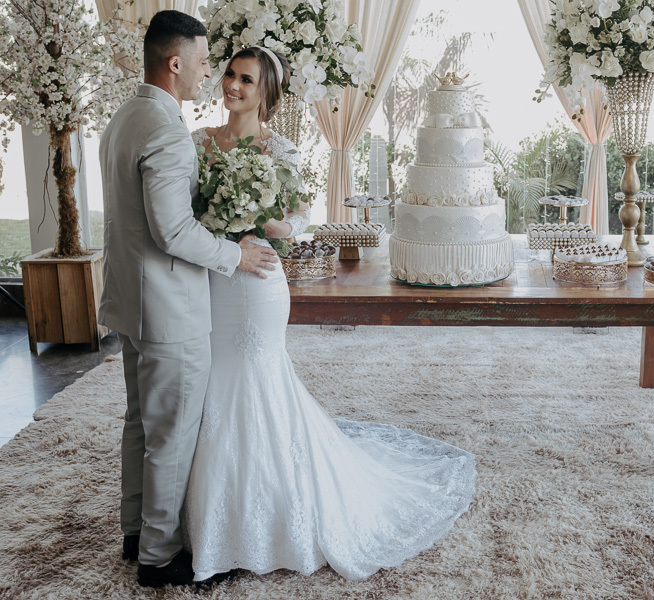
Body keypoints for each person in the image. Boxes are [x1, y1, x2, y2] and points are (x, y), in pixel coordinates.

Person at [184, 47, 476, 582]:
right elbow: (180, 214)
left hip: (257, 284)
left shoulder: (283, 149)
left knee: (251, 378)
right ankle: (211, 511)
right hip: (209, 278)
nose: (232, 85)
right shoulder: (198, 142)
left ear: (266, 94)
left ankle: (264, 518)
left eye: (247, 80)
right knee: (209, 380)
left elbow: (299, 218)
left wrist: (264, 221)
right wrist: (219, 222)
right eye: (229, 74)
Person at [98, 10, 279, 588]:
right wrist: (236, 256)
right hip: (169, 310)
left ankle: (133, 530)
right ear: (175, 64)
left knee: (139, 422)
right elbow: (171, 231)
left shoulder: (124, 117)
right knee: (171, 434)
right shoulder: (169, 131)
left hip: (128, 300)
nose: (209, 76)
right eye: (204, 64)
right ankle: (158, 556)